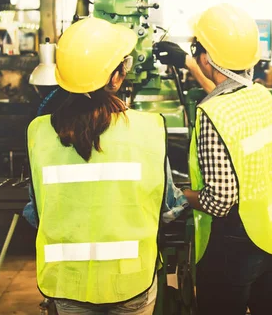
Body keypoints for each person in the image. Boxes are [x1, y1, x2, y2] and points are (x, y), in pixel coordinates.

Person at [23, 17, 188, 315]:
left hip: (67, 282)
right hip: (131, 280)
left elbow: (36, 213)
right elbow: (168, 209)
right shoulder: (150, 128)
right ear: (116, 77)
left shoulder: (38, 132)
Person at [154, 4, 272, 315]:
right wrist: (190, 65)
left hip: (234, 245)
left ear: (206, 57)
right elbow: (228, 97)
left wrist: (178, 195)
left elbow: (219, 201)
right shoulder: (261, 97)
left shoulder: (212, 115)